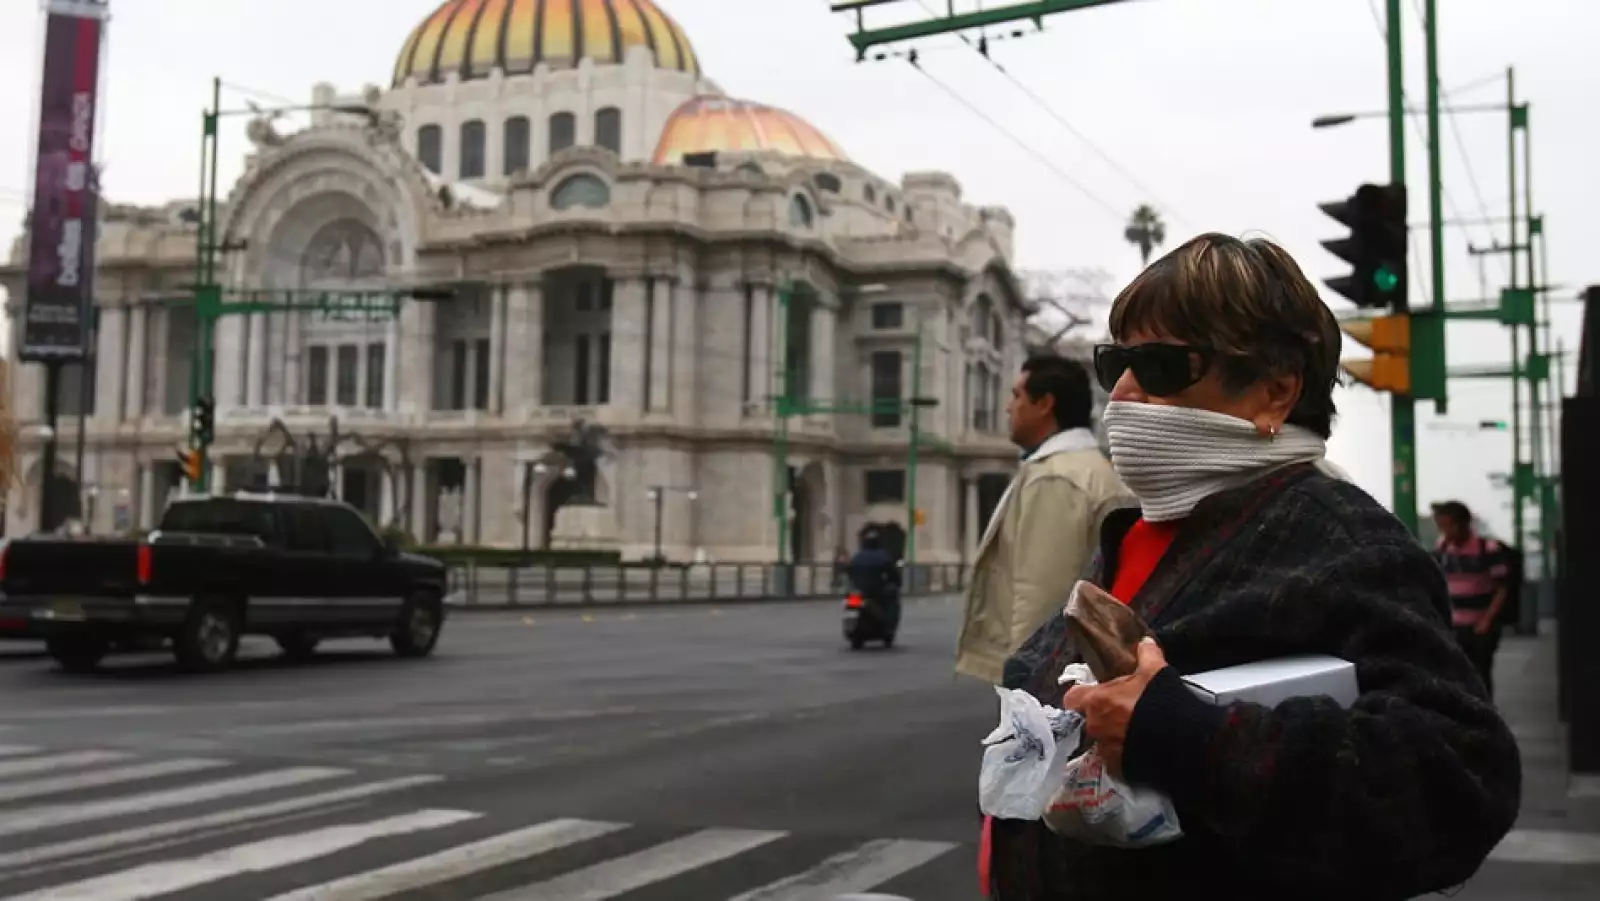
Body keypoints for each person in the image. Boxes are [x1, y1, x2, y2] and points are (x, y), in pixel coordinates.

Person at [986, 234, 1520, 900]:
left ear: (1275, 391)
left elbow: (1459, 785)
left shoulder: (1339, 540)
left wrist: (1186, 735)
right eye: (1114, 363)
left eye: (1159, 365)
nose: (1121, 392)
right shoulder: (1138, 530)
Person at [955, 355, 1129, 684]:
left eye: (1017, 395)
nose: (1008, 408)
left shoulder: (1056, 477)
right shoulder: (1081, 468)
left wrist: (1024, 680)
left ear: (1044, 404)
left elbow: (1040, 596)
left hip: (1051, 677)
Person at [1431, 500, 1512, 698]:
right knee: (1456, 674)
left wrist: (1487, 620)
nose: (1445, 532)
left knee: (1480, 674)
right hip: (1454, 625)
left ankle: (1484, 710)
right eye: (1441, 526)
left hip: (1480, 626)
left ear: (1464, 523)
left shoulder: (1488, 549)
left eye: (1448, 525)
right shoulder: (1442, 548)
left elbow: (1502, 589)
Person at [847, 528, 901, 631]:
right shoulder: (882, 556)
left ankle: (852, 624)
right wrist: (896, 582)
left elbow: (849, 571)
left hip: (858, 590)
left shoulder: (857, 556)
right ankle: (889, 626)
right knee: (892, 598)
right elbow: (892, 573)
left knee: (851, 601)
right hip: (877, 591)